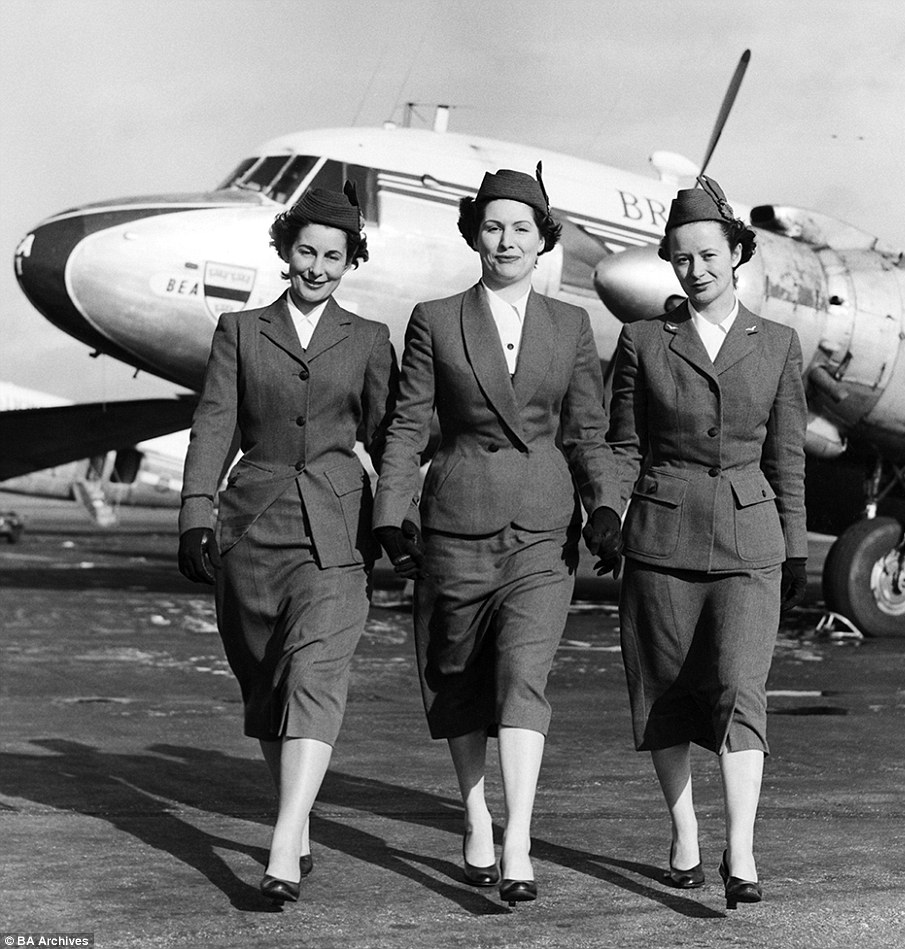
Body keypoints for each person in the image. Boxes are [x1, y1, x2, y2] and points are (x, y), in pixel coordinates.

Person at [372, 165, 622, 906]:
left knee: (521, 676)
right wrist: (391, 512)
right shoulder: (435, 319)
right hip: (456, 523)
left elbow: (588, 432)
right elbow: (408, 426)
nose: (506, 241)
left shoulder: (571, 327)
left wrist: (605, 507)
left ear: (543, 241)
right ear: (473, 235)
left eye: (521, 228)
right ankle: (477, 813)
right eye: (493, 227)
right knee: (457, 677)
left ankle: (518, 841)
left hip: (542, 531)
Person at [177, 184, 398, 905]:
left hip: (336, 532)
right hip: (251, 528)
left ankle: (281, 843)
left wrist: (402, 514)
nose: (317, 268)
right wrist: (195, 513)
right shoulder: (239, 331)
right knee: (268, 682)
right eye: (307, 251)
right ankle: (294, 823)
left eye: (333, 256)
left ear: (350, 261)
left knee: (313, 675)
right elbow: (214, 424)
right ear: (285, 251)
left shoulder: (369, 340)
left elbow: (392, 438)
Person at [605, 176, 808, 910]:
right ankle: (685, 830)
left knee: (740, 688)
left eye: (709, 255)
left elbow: (788, 455)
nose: (695, 269)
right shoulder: (642, 341)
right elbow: (623, 445)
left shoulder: (778, 344)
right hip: (661, 539)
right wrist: (608, 509)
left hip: (751, 542)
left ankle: (741, 849)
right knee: (662, 689)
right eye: (682, 257)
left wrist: (795, 543)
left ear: (737, 254)